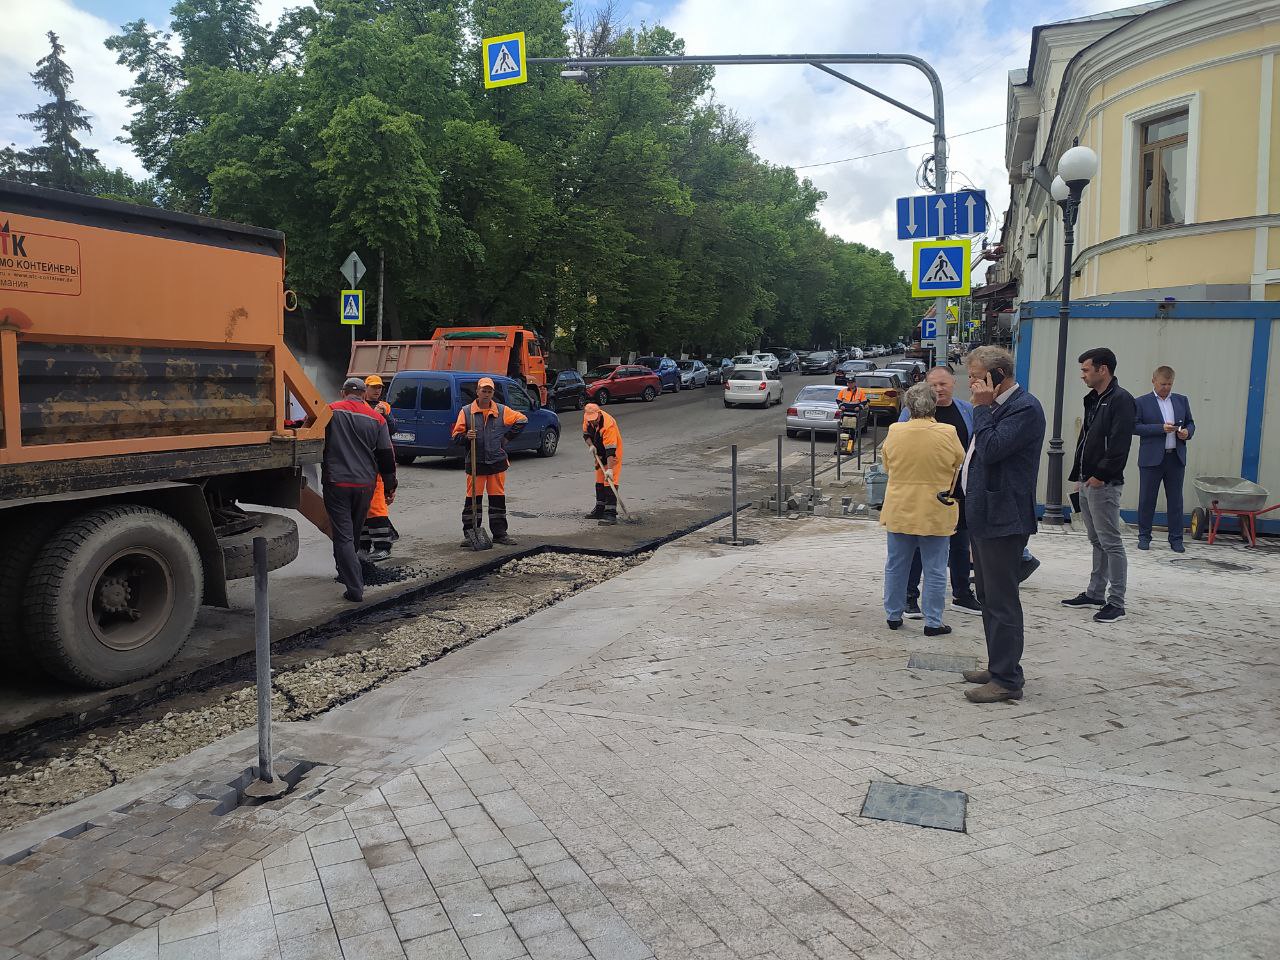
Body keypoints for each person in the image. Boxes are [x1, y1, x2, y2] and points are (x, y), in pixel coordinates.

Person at [962, 346, 1045, 704]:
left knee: (1002, 600)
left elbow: (992, 448)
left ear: (997, 376)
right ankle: (999, 666)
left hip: (1003, 516)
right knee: (988, 596)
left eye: (977, 378)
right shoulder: (1000, 407)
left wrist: (981, 409)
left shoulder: (1024, 408)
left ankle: (1008, 679)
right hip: (984, 515)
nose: (972, 385)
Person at [880, 383, 966, 636]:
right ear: (934, 405)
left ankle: (893, 615)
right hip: (936, 508)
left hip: (900, 505)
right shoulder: (948, 432)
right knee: (935, 568)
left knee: (896, 564)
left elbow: (887, 465)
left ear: (908, 406)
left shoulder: (895, 430)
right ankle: (933, 621)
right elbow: (959, 463)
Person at [897, 367, 981, 617]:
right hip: (924, 492)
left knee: (959, 543)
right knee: (919, 547)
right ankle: (910, 597)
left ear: (954, 383)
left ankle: (962, 594)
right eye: (933, 385)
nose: (939, 389)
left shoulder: (966, 410)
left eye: (943, 384)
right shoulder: (910, 414)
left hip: (959, 491)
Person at [1064, 347, 1135, 624]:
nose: (1082, 375)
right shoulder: (1095, 398)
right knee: (1097, 540)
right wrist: (1080, 477)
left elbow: (1119, 445)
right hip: (1088, 480)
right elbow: (1087, 439)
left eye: (1085, 370)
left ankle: (1116, 602)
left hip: (1103, 483)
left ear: (1102, 369)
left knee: (1111, 542)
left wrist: (1100, 475)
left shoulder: (1121, 400)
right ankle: (1095, 593)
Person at [322, 377, 397, 602]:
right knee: (352, 534)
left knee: (343, 536)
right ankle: (344, 569)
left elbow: (307, 429)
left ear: (343, 392)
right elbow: (386, 454)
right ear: (364, 394)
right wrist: (390, 485)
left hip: (337, 483)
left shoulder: (330, 411)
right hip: (365, 485)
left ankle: (354, 588)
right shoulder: (377, 418)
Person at [451, 377, 526, 546]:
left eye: (489, 391)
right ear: (477, 391)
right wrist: (465, 437)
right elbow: (455, 437)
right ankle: (471, 534)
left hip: (496, 463)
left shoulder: (501, 410)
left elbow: (522, 420)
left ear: (493, 393)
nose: (486, 394)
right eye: (483, 390)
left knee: (497, 499)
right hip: (475, 462)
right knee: (472, 500)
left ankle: (500, 534)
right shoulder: (466, 411)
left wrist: (507, 438)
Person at [1134, 366, 1194, 552]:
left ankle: (1176, 540)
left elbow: (1191, 423)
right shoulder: (1141, 402)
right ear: (1153, 381)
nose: (1166, 388)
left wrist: (1187, 433)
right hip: (1151, 459)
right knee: (1147, 500)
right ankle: (1144, 536)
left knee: (1176, 501)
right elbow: (1134, 427)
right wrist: (1160, 428)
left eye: (1169, 384)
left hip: (1175, 458)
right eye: (1163, 384)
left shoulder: (1181, 401)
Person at [360, 375, 398, 561]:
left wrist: (385, 414)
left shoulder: (385, 407)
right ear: (365, 388)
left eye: (380, 388)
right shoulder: (360, 407)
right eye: (374, 387)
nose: (377, 391)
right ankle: (364, 546)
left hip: (379, 462)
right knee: (362, 507)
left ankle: (383, 545)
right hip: (363, 462)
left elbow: (392, 429)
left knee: (376, 506)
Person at [582, 403, 623, 525]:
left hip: (613, 454)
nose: (593, 422)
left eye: (594, 419)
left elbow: (610, 450)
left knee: (610, 480)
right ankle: (600, 509)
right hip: (599, 452)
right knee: (599, 480)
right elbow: (586, 435)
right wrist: (591, 446)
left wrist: (610, 469)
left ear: (599, 414)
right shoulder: (587, 419)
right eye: (591, 420)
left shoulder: (608, 424)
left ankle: (610, 514)